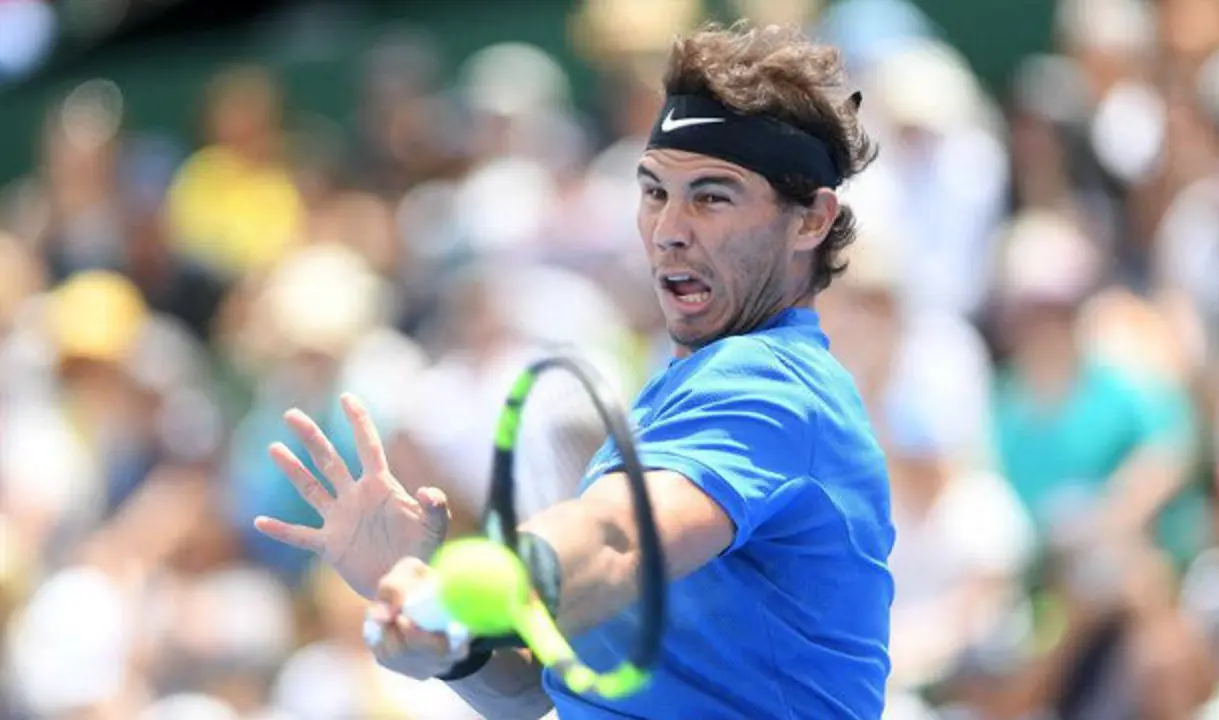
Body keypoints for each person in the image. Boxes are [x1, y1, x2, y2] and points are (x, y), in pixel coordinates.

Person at [253, 22, 894, 719]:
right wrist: (443, 627)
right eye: (655, 192)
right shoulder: (681, 391)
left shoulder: (771, 385)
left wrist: (479, 587)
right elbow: (539, 692)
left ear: (810, 221)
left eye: (713, 196)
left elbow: (618, 541)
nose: (669, 229)